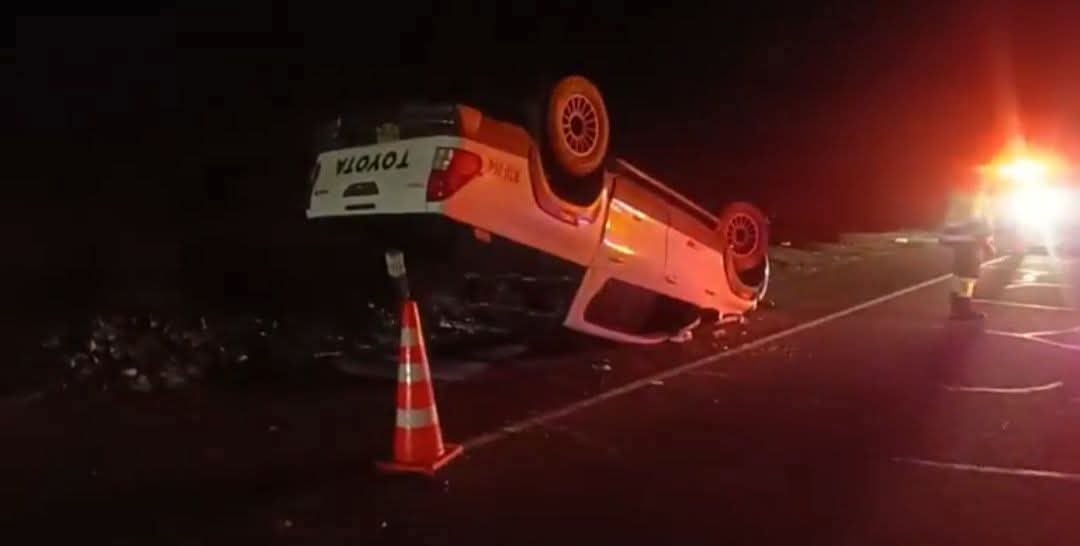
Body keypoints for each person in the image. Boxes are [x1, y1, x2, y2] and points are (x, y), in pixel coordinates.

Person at [940, 170, 995, 320]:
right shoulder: (975, 198)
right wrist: (986, 244)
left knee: (959, 276)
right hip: (970, 242)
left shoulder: (959, 195)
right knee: (968, 277)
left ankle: (956, 308)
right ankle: (963, 309)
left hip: (958, 241)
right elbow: (977, 224)